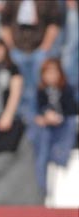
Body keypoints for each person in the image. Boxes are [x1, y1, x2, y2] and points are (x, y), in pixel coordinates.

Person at [0, 0, 63, 120]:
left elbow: (54, 23)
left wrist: (45, 47)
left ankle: (38, 114)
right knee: (19, 88)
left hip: (39, 49)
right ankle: (22, 118)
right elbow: (4, 22)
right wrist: (11, 47)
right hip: (17, 49)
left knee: (38, 87)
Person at [26, 58, 78, 199]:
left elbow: (71, 111)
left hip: (63, 129)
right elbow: (35, 112)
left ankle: (60, 157)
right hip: (46, 130)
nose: (51, 76)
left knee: (69, 126)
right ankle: (42, 190)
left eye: (54, 72)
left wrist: (59, 118)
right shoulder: (40, 91)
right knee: (41, 137)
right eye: (48, 73)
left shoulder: (67, 90)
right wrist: (43, 117)